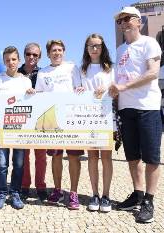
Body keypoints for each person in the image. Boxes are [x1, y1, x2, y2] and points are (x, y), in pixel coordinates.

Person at [109, 6, 162, 223]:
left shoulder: (149, 43)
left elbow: (152, 73)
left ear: (138, 21)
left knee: (151, 156)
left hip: (147, 105)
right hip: (126, 108)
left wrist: (124, 87)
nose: (122, 23)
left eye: (127, 19)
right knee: (132, 155)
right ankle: (137, 194)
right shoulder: (120, 49)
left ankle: (149, 200)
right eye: (119, 21)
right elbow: (117, 79)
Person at [35, 39, 84, 210]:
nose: (57, 53)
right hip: (52, 120)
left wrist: (81, 90)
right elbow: (39, 96)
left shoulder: (72, 67)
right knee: (56, 157)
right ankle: (57, 190)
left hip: (71, 118)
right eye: (53, 50)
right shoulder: (43, 72)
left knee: (73, 157)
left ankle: (73, 193)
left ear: (64, 51)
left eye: (60, 50)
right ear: (48, 54)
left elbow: (80, 88)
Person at [0, 46, 33, 210]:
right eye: (7, 60)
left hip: (20, 130)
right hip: (2, 130)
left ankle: (15, 193)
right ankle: (1, 193)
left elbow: (30, 104)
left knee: (19, 164)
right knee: (2, 163)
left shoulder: (25, 80)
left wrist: (31, 94)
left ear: (18, 60)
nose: (11, 62)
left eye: (13, 59)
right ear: (4, 62)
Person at [80, 33, 114, 212]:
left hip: (105, 117)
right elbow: (76, 91)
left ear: (103, 47)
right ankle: (94, 193)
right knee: (92, 157)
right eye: (91, 46)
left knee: (106, 157)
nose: (94, 49)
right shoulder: (82, 69)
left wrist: (108, 89)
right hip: (88, 119)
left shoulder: (110, 68)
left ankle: (106, 195)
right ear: (86, 48)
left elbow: (116, 89)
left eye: (98, 45)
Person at [18, 43, 48, 201]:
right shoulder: (16, 73)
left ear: (39, 57)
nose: (31, 57)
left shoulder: (44, 74)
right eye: (29, 54)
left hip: (41, 118)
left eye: (35, 55)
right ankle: (24, 186)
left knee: (41, 155)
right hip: (22, 119)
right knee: (24, 155)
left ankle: (41, 186)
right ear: (24, 55)